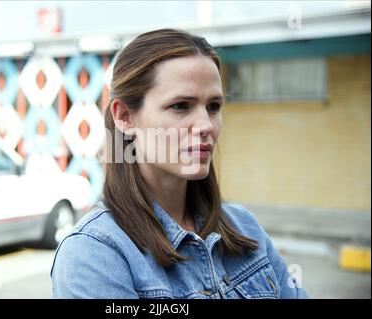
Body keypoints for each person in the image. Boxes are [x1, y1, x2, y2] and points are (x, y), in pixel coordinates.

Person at [50, 28, 308, 299]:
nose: (205, 125)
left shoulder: (244, 225)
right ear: (125, 116)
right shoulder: (93, 253)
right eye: (181, 106)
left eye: (213, 106)